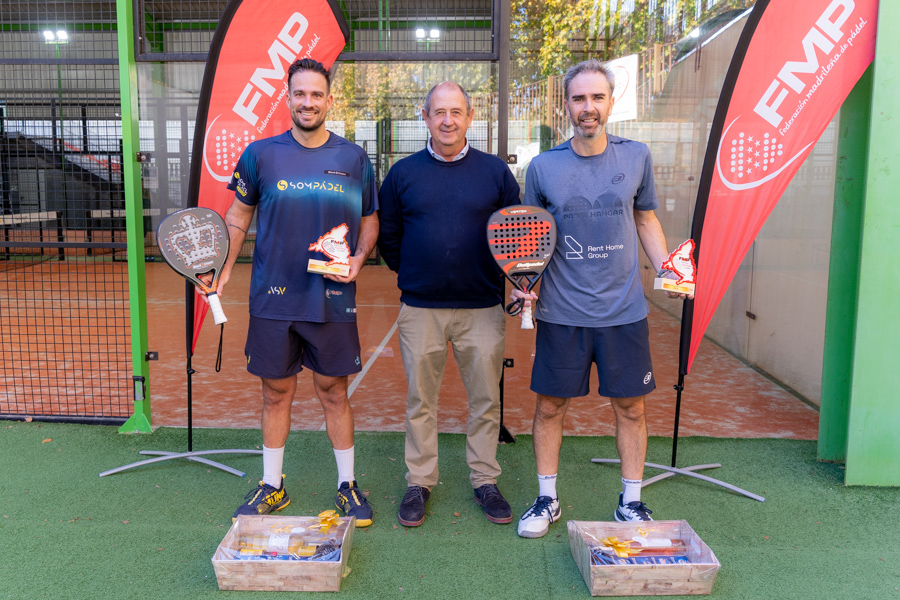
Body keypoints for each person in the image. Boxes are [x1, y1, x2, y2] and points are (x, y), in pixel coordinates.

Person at [513, 59, 691, 538]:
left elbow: (646, 219)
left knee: (631, 408)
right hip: (562, 313)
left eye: (597, 98)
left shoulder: (636, 157)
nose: (587, 107)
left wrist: (670, 268)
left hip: (624, 312)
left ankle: (631, 502)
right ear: (566, 104)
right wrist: (522, 284)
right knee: (550, 408)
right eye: (578, 98)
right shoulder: (544, 166)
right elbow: (530, 235)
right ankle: (547, 499)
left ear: (611, 102)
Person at [213, 58, 378, 526]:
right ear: (287, 98)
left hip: (330, 297)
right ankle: (272, 486)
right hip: (273, 298)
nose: (308, 102)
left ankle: (347, 485)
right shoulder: (260, 154)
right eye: (300, 94)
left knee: (333, 391)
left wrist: (360, 262)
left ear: (329, 100)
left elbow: (370, 219)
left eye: (317, 94)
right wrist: (224, 270)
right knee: (274, 393)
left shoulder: (353, 158)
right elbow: (238, 217)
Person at [377, 81, 521, 527]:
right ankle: (419, 480)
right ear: (425, 117)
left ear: (469, 117)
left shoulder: (496, 173)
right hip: (421, 309)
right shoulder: (402, 174)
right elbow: (390, 239)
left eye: (456, 112)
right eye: (439, 112)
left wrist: (508, 282)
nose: (447, 120)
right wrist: (421, 276)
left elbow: (513, 236)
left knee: (485, 401)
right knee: (421, 400)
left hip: (482, 307)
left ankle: (485, 480)